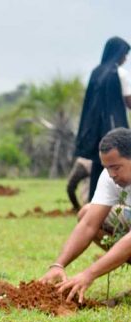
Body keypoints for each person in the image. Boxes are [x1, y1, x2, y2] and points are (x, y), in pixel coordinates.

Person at [42, 128, 131, 302]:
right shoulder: (109, 176)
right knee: (86, 212)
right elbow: (89, 224)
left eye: (116, 167)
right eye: (107, 168)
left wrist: (88, 274)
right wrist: (57, 265)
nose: (111, 174)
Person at [75, 36, 131, 200]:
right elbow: (129, 101)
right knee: (119, 167)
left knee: (98, 168)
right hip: (115, 130)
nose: (125, 58)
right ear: (117, 54)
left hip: (96, 132)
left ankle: (94, 203)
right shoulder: (119, 73)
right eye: (124, 54)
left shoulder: (96, 72)